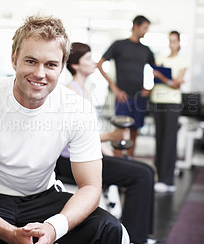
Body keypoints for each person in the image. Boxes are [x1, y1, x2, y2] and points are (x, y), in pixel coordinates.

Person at [0, 15, 127, 244]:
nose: (40, 73)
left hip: (44, 198)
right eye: (31, 61)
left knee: (108, 227)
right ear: (14, 60)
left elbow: (90, 186)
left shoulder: (78, 108)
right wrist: (8, 233)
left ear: (61, 68)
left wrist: (54, 228)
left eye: (50, 64)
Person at [55, 42, 156, 244]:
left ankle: (142, 235)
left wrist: (108, 151)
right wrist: (111, 136)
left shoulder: (85, 91)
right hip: (71, 163)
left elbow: (90, 134)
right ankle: (134, 238)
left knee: (148, 170)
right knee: (140, 175)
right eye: (88, 59)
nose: (94, 63)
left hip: (88, 157)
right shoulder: (70, 92)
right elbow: (75, 136)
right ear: (75, 65)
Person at [97, 15, 155, 157]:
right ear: (135, 26)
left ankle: (129, 159)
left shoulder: (145, 50)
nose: (145, 32)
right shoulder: (119, 45)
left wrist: (150, 88)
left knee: (134, 130)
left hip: (139, 97)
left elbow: (157, 71)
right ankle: (118, 160)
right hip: (122, 96)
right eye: (144, 28)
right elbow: (99, 64)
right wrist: (114, 88)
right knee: (120, 130)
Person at [150, 30, 188, 193]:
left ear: (178, 43)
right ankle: (159, 177)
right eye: (169, 41)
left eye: (174, 41)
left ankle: (168, 180)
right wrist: (162, 78)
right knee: (159, 139)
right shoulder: (160, 59)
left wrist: (163, 77)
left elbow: (176, 84)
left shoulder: (183, 60)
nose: (171, 44)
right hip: (157, 100)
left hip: (172, 103)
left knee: (169, 140)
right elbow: (155, 78)